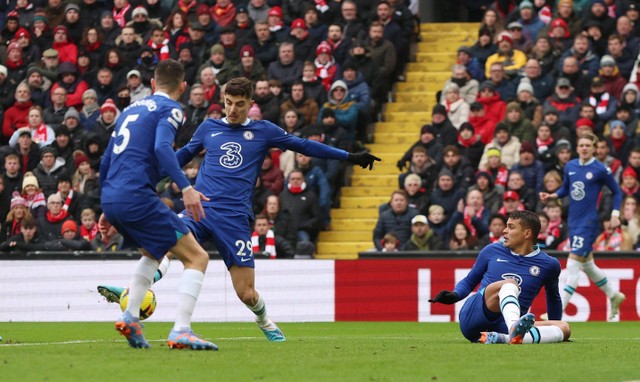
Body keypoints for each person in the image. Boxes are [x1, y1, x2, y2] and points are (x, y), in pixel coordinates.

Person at [100, 77, 380, 343]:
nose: (233, 109)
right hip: (201, 208)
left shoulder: (263, 131)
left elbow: (303, 145)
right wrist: (140, 181)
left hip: (234, 219)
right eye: (228, 102)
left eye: (239, 104)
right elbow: (179, 157)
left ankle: (265, 321)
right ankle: (133, 296)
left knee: (245, 293)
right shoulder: (208, 128)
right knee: (165, 244)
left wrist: (350, 157)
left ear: (250, 103)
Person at [99, 59, 216, 350]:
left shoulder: (129, 111)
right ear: (184, 86)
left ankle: (130, 317)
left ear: (152, 84)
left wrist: (106, 205)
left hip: (113, 195)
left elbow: (106, 160)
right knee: (197, 258)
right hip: (137, 196)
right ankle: (181, 330)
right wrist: (186, 187)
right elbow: (162, 148)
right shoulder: (171, 109)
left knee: (154, 250)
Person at [430, 210, 571, 345]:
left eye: (510, 227)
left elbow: (553, 298)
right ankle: (514, 329)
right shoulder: (492, 250)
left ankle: (503, 338)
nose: (504, 231)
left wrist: (554, 326)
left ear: (527, 233)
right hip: (475, 316)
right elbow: (469, 281)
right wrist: (454, 296)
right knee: (510, 284)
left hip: (501, 327)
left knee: (564, 328)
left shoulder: (549, 264)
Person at [540, 133, 626, 320]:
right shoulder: (570, 166)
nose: (585, 148)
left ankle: (556, 312)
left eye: (588, 145)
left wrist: (615, 214)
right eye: (582, 145)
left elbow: (617, 192)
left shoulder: (600, 169)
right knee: (587, 264)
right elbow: (566, 189)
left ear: (594, 148)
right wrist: (552, 195)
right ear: (577, 148)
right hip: (574, 220)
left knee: (572, 264)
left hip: (588, 222)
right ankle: (614, 295)